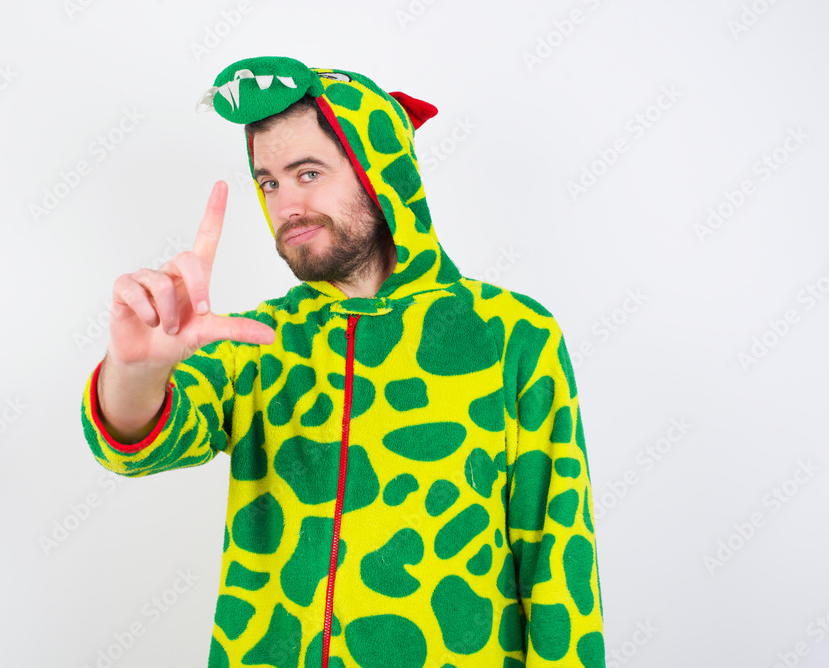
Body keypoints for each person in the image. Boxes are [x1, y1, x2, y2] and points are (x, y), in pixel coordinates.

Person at [80, 55, 606, 668]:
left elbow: (557, 555)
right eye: (269, 183)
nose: (285, 205)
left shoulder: (512, 334)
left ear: (380, 172)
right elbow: (138, 442)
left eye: (308, 173)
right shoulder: (259, 340)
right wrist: (139, 369)